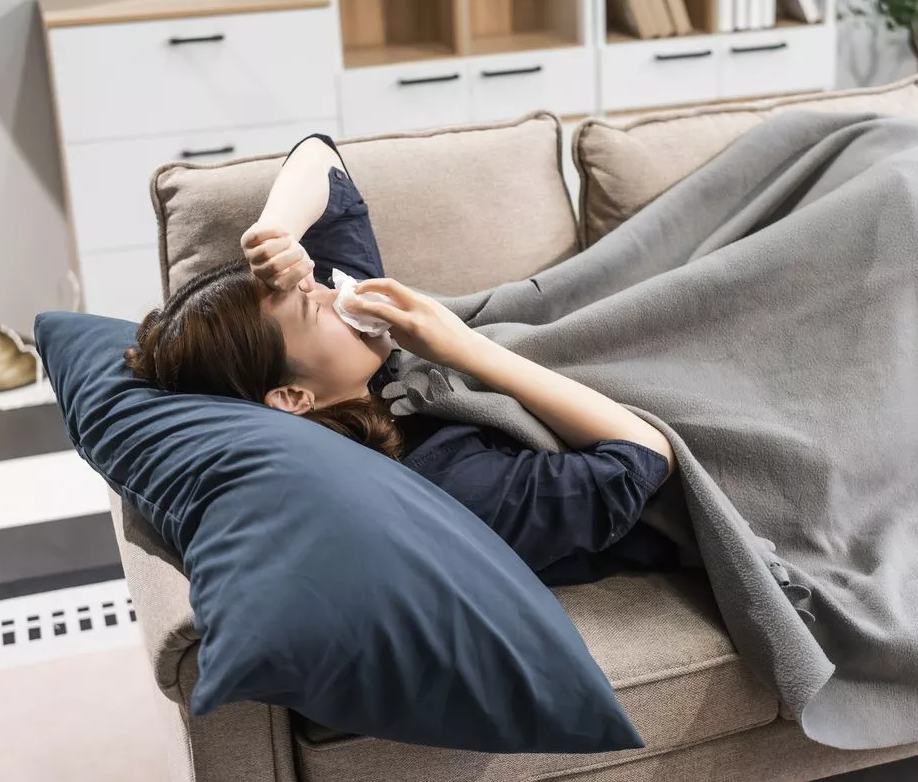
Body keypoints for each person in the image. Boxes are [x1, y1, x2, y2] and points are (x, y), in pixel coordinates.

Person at [126, 134, 680, 585]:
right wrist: (463, 346)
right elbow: (644, 458)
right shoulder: (441, 487)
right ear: (293, 397)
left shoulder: (363, 369)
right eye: (311, 306)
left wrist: (277, 233)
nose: (329, 288)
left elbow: (321, 159)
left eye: (314, 281)